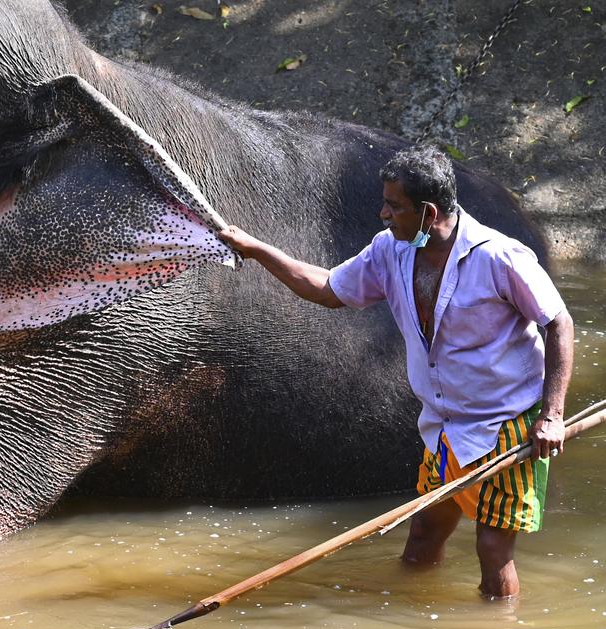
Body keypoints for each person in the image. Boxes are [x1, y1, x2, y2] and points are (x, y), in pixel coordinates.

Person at [216, 145, 574, 599]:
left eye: (394, 206)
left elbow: (557, 322)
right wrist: (257, 250)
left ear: (428, 213)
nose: (384, 214)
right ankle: (404, 609)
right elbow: (328, 289)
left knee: (492, 546)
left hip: (505, 422)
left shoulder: (500, 258)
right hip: (444, 426)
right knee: (424, 531)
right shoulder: (391, 251)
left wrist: (552, 416)